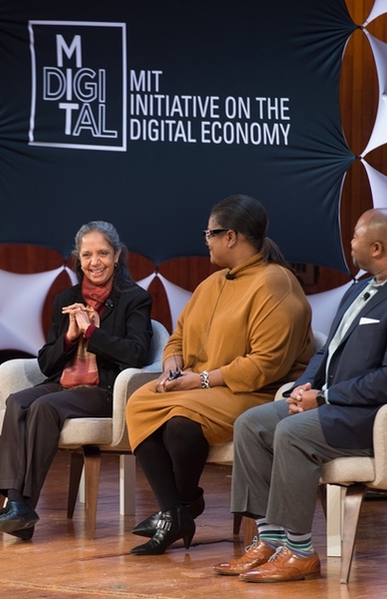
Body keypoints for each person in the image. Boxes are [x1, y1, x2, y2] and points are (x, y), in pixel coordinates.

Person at [212, 208, 387, 582]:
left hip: (379, 419)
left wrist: (324, 398)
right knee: (251, 423)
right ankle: (270, 539)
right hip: (339, 405)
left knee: (292, 434)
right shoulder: (360, 288)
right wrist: (302, 388)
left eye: (356, 237)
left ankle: (299, 552)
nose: (350, 242)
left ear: (376, 247)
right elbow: (326, 351)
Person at [125, 194, 316, 556]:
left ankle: (178, 508)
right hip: (202, 386)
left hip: (256, 391)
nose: (206, 240)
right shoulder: (211, 283)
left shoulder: (276, 284)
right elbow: (179, 334)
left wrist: (200, 380)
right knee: (140, 402)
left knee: (182, 421)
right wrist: (172, 362)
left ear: (232, 237)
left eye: (210, 233)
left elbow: (265, 365)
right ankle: (176, 511)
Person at [0, 221, 153, 540]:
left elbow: (137, 354)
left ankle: (22, 507)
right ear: (78, 258)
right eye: (87, 254)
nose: (95, 261)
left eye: (103, 253)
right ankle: (12, 501)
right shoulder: (67, 297)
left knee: (44, 407)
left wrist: (93, 332)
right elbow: (46, 362)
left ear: (117, 255)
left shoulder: (134, 298)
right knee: (17, 401)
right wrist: (71, 336)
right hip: (64, 383)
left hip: (104, 389)